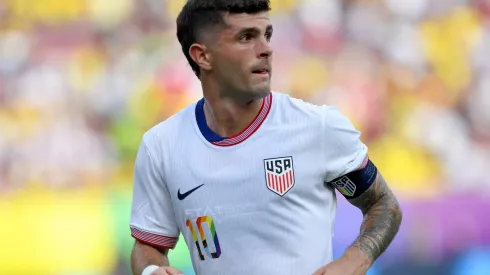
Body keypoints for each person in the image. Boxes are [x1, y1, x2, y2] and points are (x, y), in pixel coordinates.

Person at [129, 1, 403, 275]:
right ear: (203, 56)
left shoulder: (317, 127)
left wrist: (356, 259)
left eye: (267, 35)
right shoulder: (161, 147)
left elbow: (382, 204)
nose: (266, 49)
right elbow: (148, 245)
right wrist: (151, 271)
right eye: (246, 37)